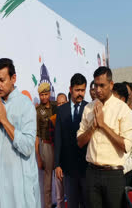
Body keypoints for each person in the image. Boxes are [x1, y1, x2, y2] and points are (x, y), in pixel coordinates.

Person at [0, 58, 40, 208]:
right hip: (0, 183)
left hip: (20, 185)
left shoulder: (26, 105)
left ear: (13, 78)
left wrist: (5, 120)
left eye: (2, 80)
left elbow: (28, 147)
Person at [77, 67, 132, 208]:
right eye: (95, 85)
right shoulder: (88, 108)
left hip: (113, 175)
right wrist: (93, 127)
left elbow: (126, 146)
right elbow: (79, 142)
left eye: (102, 85)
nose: (98, 89)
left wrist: (103, 125)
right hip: (91, 172)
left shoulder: (122, 109)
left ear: (111, 85)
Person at [54, 74, 88, 208]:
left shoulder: (89, 108)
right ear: (70, 89)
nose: (80, 93)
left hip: (86, 167)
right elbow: (58, 138)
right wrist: (57, 164)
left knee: (87, 203)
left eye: (82, 90)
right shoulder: (62, 110)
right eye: (77, 90)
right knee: (72, 203)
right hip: (68, 168)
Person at [112, 83, 132, 187]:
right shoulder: (107, 118)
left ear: (123, 99)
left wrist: (122, 168)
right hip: (107, 175)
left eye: (114, 99)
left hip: (124, 175)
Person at [35, 82, 57, 208]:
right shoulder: (38, 111)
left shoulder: (55, 106)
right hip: (46, 147)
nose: (43, 97)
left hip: (57, 145)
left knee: (60, 177)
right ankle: (48, 206)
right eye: (41, 95)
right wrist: (38, 157)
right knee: (48, 180)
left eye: (45, 94)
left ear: (49, 94)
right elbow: (36, 135)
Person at [53, 93, 67, 208]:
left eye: (63, 103)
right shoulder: (53, 120)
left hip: (71, 166)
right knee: (59, 197)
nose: (61, 106)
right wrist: (57, 164)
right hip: (58, 164)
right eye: (59, 103)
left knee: (72, 196)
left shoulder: (73, 119)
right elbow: (56, 144)